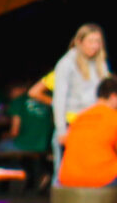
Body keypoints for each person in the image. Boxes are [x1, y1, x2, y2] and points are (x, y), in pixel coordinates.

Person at [31, 24, 108, 155]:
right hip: (72, 124)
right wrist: (61, 130)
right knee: (65, 172)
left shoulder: (101, 63)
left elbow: (106, 95)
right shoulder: (67, 63)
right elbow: (57, 98)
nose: (94, 46)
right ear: (79, 41)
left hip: (95, 124)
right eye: (91, 41)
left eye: (97, 42)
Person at [56, 77, 117, 188]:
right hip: (101, 179)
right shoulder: (113, 118)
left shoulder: (80, 117)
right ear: (113, 97)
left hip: (67, 179)